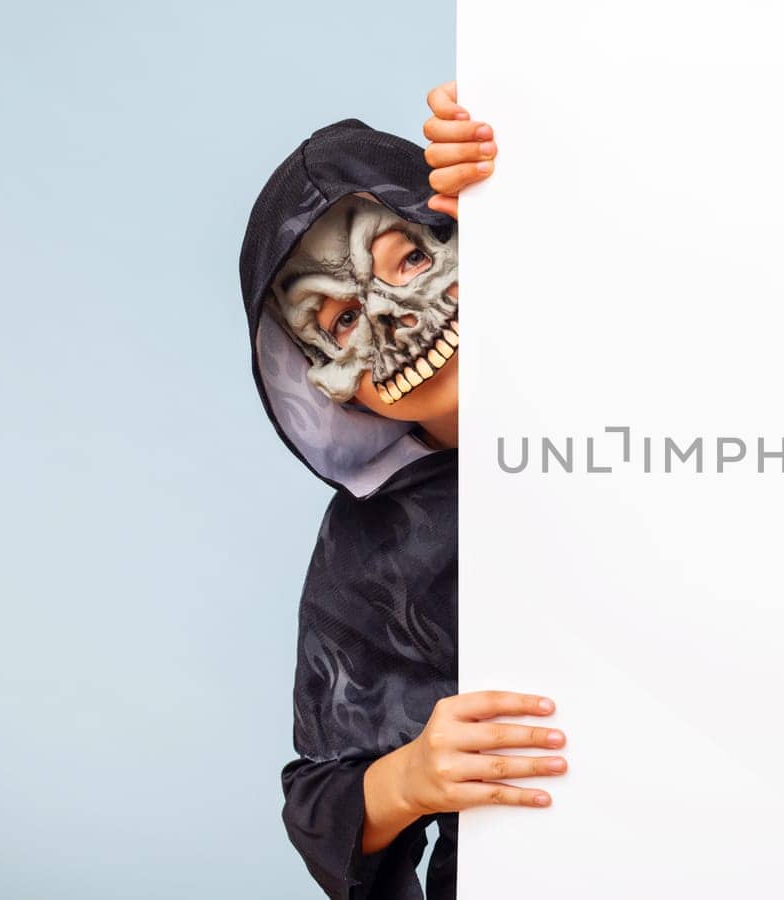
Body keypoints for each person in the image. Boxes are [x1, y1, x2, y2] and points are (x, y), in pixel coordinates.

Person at [237, 83, 565, 900]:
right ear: (326, 384)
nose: (395, 320)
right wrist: (410, 779)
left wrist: (539, 160)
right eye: (342, 319)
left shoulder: (641, 375)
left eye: (412, 258)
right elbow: (321, 798)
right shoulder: (368, 547)